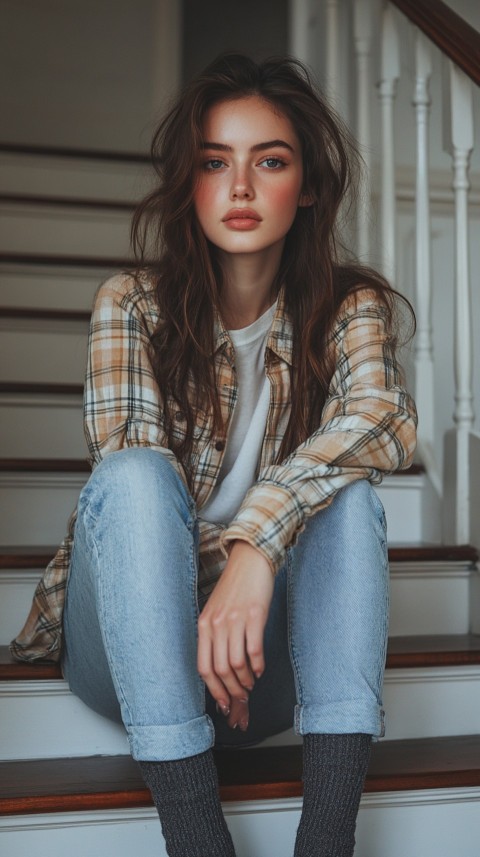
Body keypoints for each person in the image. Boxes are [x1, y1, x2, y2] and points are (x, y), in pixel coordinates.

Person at [11, 53, 417, 857]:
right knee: (132, 478)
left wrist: (255, 545)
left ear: (304, 187)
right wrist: (245, 557)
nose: (238, 187)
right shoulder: (131, 303)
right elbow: (133, 493)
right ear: (187, 183)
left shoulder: (347, 309)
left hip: (265, 662)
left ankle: (328, 841)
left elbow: (383, 417)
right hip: (127, 654)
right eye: (212, 162)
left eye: (268, 160)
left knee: (352, 501)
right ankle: (196, 839)